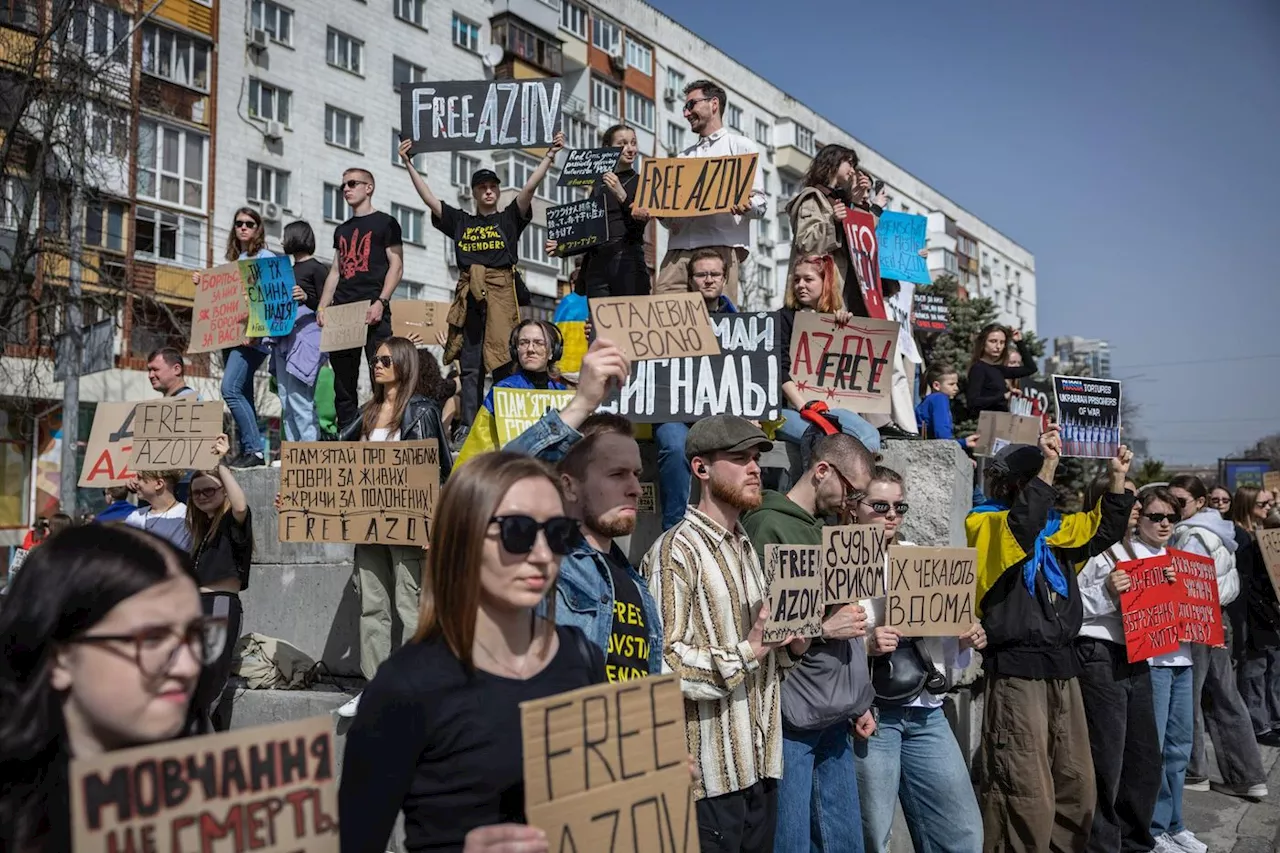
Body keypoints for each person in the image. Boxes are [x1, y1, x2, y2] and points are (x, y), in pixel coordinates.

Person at [338, 452, 604, 853]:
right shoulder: (406, 685)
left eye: (558, 533)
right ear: (463, 535)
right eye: (517, 531)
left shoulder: (581, 657)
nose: (543, 555)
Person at [643, 414, 810, 852]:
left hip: (760, 767)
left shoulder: (746, 546)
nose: (755, 467)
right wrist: (752, 647)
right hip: (709, 782)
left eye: (756, 457)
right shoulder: (673, 552)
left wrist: (793, 644)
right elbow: (668, 665)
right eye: (739, 458)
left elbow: (766, 658)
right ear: (701, 469)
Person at [0, 525, 222, 853]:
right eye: (153, 639)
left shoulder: (219, 801)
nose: (188, 666)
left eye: (196, 635)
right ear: (60, 658)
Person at [965, 430, 1134, 852]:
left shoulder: (1056, 532)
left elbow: (1100, 530)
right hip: (1016, 672)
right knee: (1022, 789)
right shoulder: (983, 522)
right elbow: (1021, 528)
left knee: (1075, 784)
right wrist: (1050, 466)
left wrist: (1116, 479)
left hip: (1062, 668)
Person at [740, 433, 878, 853]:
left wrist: (860, 701)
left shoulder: (832, 529)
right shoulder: (768, 524)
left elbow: (846, 618)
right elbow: (760, 628)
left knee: (845, 843)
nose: (851, 503)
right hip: (792, 717)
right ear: (822, 471)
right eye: (851, 491)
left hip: (835, 714)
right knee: (793, 842)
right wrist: (824, 628)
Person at [399, 132, 564, 433]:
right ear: (474, 193)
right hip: (470, 298)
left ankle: (504, 420)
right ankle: (470, 426)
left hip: (501, 295)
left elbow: (529, 188)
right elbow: (430, 200)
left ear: (498, 192)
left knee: (503, 360)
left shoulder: (509, 219)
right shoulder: (462, 222)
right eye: (482, 187)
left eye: (492, 186)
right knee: (471, 364)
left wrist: (550, 156)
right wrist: (409, 163)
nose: (488, 191)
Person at [859, 465, 986, 853]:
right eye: (880, 505)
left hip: (926, 708)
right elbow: (814, 638)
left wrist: (968, 634)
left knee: (962, 832)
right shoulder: (837, 560)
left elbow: (949, 638)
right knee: (873, 834)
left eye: (900, 506)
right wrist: (866, 643)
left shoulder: (919, 557)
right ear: (854, 506)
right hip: (872, 714)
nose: (891, 515)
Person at [336, 336, 452, 718]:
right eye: (374, 360)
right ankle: (375, 688)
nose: (377, 365)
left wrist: (433, 526)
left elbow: (442, 472)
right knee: (372, 607)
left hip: (410, 526)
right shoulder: (367, 413)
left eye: (385, 359)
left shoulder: (422, 411)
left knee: (410, 605)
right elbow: (334, 464)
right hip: (368, 526)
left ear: (403, 362)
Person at [1075, 480, 1171, 853]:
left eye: (1134, 495)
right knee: (1106, 760)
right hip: (1097, 655)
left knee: (1144, 758)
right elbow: (1068, 609)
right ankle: (1102, 845)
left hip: (1137, 655)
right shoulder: (1084, 545)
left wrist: (1166, 588)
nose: (1134, 503)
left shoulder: (1135, 548)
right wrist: (1107, 593)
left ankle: (1134, 840)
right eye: (1124, 494)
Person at [1168, 474, 1266, 802]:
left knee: (1189, 695)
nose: (1173, 507)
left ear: (1199, 502)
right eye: (1170, 500)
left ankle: (1195, 770)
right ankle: (1248, 776)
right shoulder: (1218, 529)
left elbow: (1186, 583)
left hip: (1196, 617)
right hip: (1217, 617)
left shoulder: (1191, 534)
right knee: (1225, 695)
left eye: (1179, 502)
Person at [553, 414, 664, 678]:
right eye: (617, 474)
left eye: (637, 474)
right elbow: (499, 489)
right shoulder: (548, 565)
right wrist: (581, 403)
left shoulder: (635, 582)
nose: (636, 488)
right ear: (569, 486)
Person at [651, 249, 739, 530]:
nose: (708, 280)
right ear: (690, 281)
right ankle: (675, 531)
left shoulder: (741, 322)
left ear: (725, 279)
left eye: (715, 274)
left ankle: (727, 527)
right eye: (701, 274)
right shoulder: (664, 316)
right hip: (674, 411)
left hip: (716, 413)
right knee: (675, 446)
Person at [654, 79, 766, 300]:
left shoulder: (741, 147)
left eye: (691, 105)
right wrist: (658, 210)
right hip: (679, 252)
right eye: (686, 107)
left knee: (718, 325)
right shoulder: (682, 158)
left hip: (720, 250)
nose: (686, 113)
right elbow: (669, 219)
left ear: (713, 104)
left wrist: (745, 205)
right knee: (664, 315)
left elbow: (760, 205)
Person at [317, 167, 405, 433]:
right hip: (342, 313)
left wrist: (381, 301)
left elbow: (397, 266)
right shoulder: (341, 230)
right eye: (343, 184)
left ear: (369, 187)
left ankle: (384, 431)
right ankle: (348, 435)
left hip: (372, 309)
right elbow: (335, 271)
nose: (346, 188)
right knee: (342, 383)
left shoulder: (386, 223)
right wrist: (322, 306)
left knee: (382, 375)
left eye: (352, 183)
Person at [775, 254, 882, 453]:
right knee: (824, 438)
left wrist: (848, 326)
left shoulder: (836, 318)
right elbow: (779, 369)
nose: (800, 285)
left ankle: (858, 480)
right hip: (792, 408)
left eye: (808, 279)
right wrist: (806, 406)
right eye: (796, 279)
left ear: (825, 283)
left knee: (870, 437)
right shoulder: (782, 318)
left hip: (833, 407)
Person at [183, 434, 251, 733]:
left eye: (209, 490)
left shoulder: (230, 524)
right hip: (196, 608)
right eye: (196, 493)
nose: (202, 496)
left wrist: (222, 463)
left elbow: (239, 505)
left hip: (219, 605)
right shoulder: (201, 532)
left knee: (209, 680)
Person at [201, 206, 274, 467]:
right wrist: (205, 283)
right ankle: (248, 450)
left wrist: (255, 331)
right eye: (239, 223)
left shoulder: (265, 257)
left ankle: (254, 450)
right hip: (230, 337)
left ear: (258, 229)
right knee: (243, 393)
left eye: (249, 224)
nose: (243, 227)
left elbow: (268, 298)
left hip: (252, 340)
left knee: (229, 389)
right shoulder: (235, 261)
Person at [546, 123, 650, 298]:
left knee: (629, 324)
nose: (630, 149)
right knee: (599, 325)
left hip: (627, 263)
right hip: (597, 268)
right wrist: (562, 247)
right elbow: (590, 231)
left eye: (633, 143)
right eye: (622, 144)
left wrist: (622, 195)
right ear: (607, 149)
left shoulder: (643, 182)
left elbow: (637, 228)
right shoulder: (599, 186)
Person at [455, 319, 569, 466]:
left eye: (539, 343)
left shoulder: (562, 394)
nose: (530, 349)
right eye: (523, 343)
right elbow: (478, 445)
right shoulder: (503, 391)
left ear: (553, 351)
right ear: (516, 351)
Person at [784, 143, 867, 316]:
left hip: (837, 292)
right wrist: (833, 222)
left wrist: (859, 202)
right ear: (833, 162)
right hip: (816, 299)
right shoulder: (813, 198)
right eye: (849, 163)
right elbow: (806, 242)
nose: (852, 171)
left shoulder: (841, 200)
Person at [1232, 487, 1280, 738]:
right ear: (1248, 504)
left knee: (1271, 668)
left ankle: (1272, 717)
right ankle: (1258, 723)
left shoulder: (1262, 531)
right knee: (1254, 669)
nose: (1268, 506)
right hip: (1250, 611)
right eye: (1263, 503)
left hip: (1268, 609)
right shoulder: (1240, 536)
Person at [273, 220, 326, 442]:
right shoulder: (284, 270)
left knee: (300, 399)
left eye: (286, 235)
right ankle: (293, 452)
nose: (282, 241)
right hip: (283, 339)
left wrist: (307, 298)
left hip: (304, 340)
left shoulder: (317, 268)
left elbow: (327, 306)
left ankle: (309, 453)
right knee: (286, 399)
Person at [965, 324, 1037, 418]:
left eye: (1002, 342)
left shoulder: (998, 369)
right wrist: (1003, 397)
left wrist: (1019, 342)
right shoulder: (978, 368)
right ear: (983, 343)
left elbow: (1031, 368)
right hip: (988, 424)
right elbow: (973, 402)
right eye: (993, 341)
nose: (998, 346)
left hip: (1002, 422)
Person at [915, 362, 980, 449]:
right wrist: (963, 443)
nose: (956, 388)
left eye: (956, 384)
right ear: (936, 385)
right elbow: (943, 435)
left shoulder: (930, 399)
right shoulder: (939, 398)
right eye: (951, 384)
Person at [125, 470, 192, 552]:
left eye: (140, 478)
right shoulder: (135, 516)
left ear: (159, 484)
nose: (134, 481)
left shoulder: (184, 517)